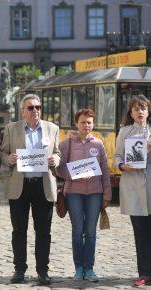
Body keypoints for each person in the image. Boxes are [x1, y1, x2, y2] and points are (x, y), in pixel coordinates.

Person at [0, 93, 60, 285]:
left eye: (38, 107)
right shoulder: (11, 128)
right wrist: (7, 159)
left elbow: (57, 152)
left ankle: (43, 271)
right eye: (31, 108)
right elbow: (4, 152)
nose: (35, 111)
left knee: (43, 232)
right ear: (22, 111)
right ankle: (19, 270)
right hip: (20, 186)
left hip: (43, 186)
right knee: (19, 231)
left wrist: (56, 160)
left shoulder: (52, 129)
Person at [55, 109, 111, 282]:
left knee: (91, 232)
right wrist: (75, 175)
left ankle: (90, 268)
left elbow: (105, 171)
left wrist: (107, 194)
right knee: (78, 231)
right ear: (76, 124)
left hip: (95, 192)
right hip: (73, 193)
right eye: (83, 122)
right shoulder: (66, 144)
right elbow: (59, 168)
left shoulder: (99, 144)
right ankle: (79, 268)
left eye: (89, 122)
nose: (86, 125)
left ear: (93, 124)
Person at [114, 95, 151, 287]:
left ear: (148, 111)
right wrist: (123, 166)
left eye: (143, 108)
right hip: (134, 189)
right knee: (141, 233)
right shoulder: (125, 132)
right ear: (131, 113)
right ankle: (144, 272)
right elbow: (116, 157)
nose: (140, 112)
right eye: (136, 109)